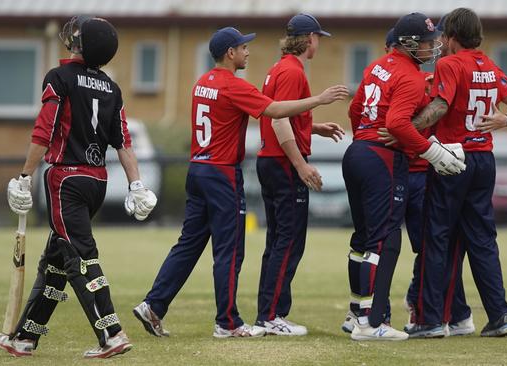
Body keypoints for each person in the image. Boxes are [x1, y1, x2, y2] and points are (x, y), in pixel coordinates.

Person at [134, 26, 348, 339]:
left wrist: (311, 128)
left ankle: (153, 305)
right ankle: (228, 323)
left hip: (198, 169)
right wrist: (319, 99)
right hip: (222, 174)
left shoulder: (201, 83)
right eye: (243, 48)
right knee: (230, 250)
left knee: (189, 244)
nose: (248, 52)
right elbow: (274, 111)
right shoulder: (232, 85)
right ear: (230, 53)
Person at [0, 15, 157, 358]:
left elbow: (44, 130)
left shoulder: (59, 77)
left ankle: (112, 334)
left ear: (84, 45)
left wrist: (24, 176)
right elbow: (124, 142)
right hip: (98, 180)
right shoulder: (111, 88)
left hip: (65, 179)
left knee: (82, 256)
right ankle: (26, 336)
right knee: (57, 261)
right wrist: (136, 185)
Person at [341, 12, 466, 341]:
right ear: (409, 44)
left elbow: (355, 109)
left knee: (363, 239)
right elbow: (397, 125)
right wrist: (432, 151)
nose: (432, 46)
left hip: (357, 153)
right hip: (381, 158)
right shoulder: (410, 76)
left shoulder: (376, 65)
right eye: (426, 42)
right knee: (384, 241)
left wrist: (366, 139)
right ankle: (372, 322)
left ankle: (358, 313)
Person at [406, 8, 507, 338]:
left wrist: (406, 129)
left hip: (452, 158)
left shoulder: (449, 63)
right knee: (483, 240)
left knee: (437, 239)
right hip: (483, 159)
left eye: (444, 35)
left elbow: (440, 107)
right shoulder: (488, 64)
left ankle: (430, 320)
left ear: (452, 36)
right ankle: (500, 316)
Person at [253, 13, 345, 337]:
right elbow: (279, 121)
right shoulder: (292, 70)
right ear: (308, 39)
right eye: (318, 37)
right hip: (281, 161)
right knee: (289, 242)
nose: (318, 42)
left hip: (269, 159)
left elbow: (282, 114)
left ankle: (267, 313)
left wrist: (314, 128)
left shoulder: (279, 67)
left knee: (277, 240)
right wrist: (300, 164)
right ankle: (272, 316)